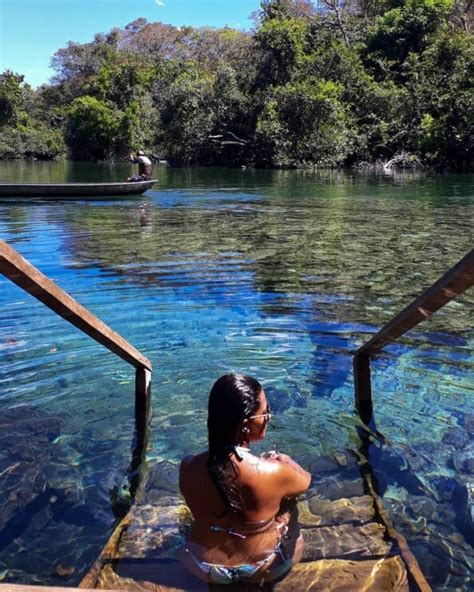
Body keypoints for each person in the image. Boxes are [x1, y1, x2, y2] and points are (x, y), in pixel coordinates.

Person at [178, 373, 311, 585]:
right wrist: (286, 462)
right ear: (247, 424)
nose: (268, 417)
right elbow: (307, 481)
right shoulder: (274, 472)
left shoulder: (187, 467)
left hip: (199, 564)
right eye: (265, 412)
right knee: (289, 506)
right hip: (265, 567)